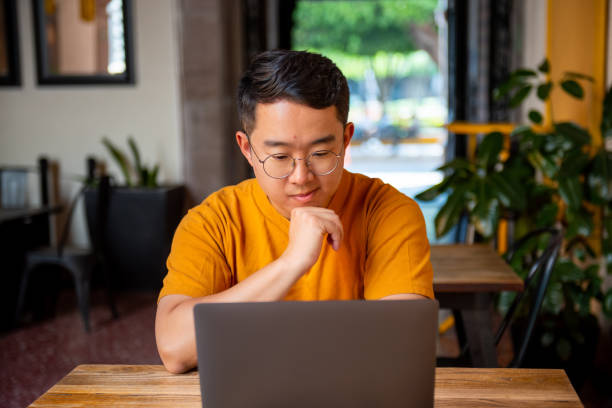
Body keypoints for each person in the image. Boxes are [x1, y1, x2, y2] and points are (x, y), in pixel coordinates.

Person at [155, 50, 434, 374]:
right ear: (247, 149)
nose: (301, 177)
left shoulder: (387, 212)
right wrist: (291, 264)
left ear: (346, 140)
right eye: (280, 157)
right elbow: (174, 349)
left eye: (321, 153)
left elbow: (401, 346)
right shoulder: (213, 221)